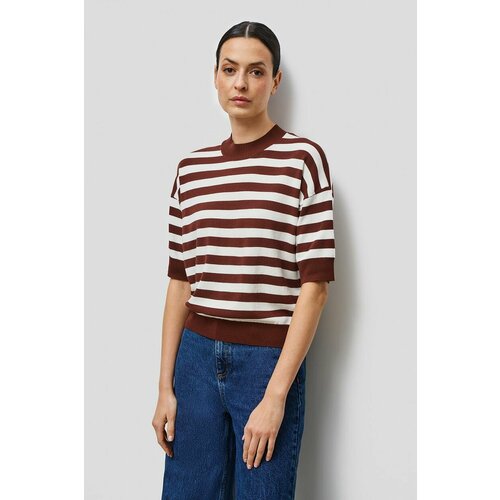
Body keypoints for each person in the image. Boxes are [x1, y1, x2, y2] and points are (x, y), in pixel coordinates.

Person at [152, 20, 336, 500]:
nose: (241, 83)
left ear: (275, 81)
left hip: (267, 362)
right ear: (215, 77)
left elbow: (314, 288)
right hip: (194, 360)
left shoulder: (303, 160)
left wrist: (275, 396)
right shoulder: (190, 170)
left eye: (256, 71)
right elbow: (180, 283)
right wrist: (165, 387)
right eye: (230, 69)